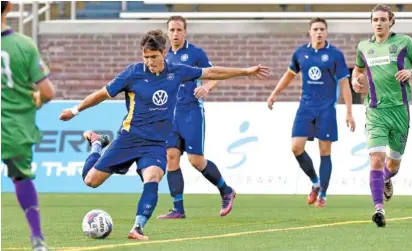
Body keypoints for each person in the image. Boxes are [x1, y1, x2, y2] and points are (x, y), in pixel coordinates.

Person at [58, 29, 270, 240]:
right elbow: (102, 94)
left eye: (154, 56)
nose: (149, 61)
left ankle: (137, 227)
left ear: (164, 52)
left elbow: (210, 72)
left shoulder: (176, 71)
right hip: (129, 138)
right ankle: (97, 143)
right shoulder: (133, 73)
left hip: (156, 143)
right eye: (146, 57)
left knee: (153, 177)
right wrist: (75, 111)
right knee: (91, 181)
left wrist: (245, 71)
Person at [267, 17, 356, 208]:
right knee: (296, 147)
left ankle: (323, 194)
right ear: (310, 32)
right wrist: (274, 94)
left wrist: (349, 112)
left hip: (326, 109)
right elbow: (289, 75)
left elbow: (344, 83)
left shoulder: (335, 55)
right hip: (306, 108)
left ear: (326, 32)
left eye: (322, 29)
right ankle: (315, 182)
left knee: (325, 151)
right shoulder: (301, 53)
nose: (319, 32)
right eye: (315, 29)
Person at [157, 16, 235, 220]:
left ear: (185, 32)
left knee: (196, 161)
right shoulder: (163, 56)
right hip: (170, 115)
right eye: (172, 30)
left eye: (179, 30)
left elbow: (215, 75)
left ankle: (226, 191)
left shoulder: (196, 53)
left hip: (191, 112)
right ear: (167, 32)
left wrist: (206, 87)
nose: (175, 33)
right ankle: (178, 209)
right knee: (171, 157)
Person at [351, 4, 412, 227]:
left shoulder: (404, 43)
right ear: (371, 22)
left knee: (392, 166)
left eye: (383, 19)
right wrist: (355, 79)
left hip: (400, 110)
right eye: (375, 20)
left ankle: (387, 179)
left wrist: (411, 71)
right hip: (375, 110)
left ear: (391, 21)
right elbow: (358, 68)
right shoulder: (364, 46)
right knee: (376, 159)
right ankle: (379, 209)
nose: (379, 23)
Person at [1, 2, 55, 250]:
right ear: (9, 8)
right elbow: (47, 91)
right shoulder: (23, 45)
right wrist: (38, 99)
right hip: (14, 127)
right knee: (20, 176)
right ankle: (37, 239)